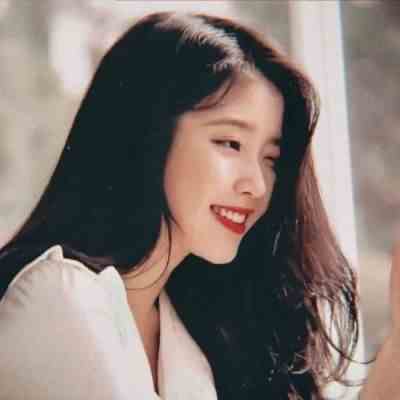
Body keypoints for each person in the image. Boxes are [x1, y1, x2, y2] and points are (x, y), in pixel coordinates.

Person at [0, 10, 398, 400]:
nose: (257, 185)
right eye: (230, 143)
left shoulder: (185, 325)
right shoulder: (60, 296)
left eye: (270, 159)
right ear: (147, 134)